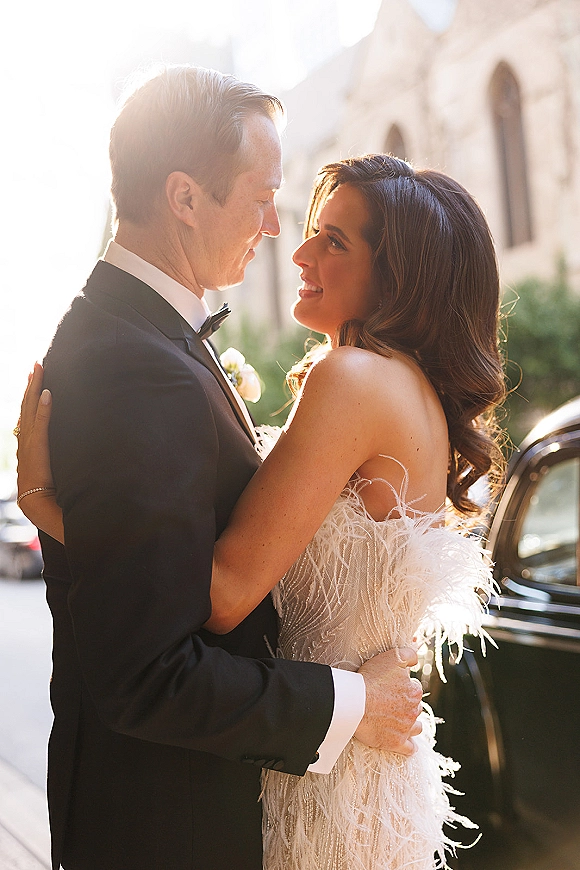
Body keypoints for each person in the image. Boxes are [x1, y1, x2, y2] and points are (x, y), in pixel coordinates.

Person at [19, 153, 505, 869]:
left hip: (323, 777)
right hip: (363, 770)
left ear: (399, 274)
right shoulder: (412, 390)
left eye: (334, 241)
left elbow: (219, 596)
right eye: (312, 229)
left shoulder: (352, 378)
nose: (300, 250)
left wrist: (47, 505)